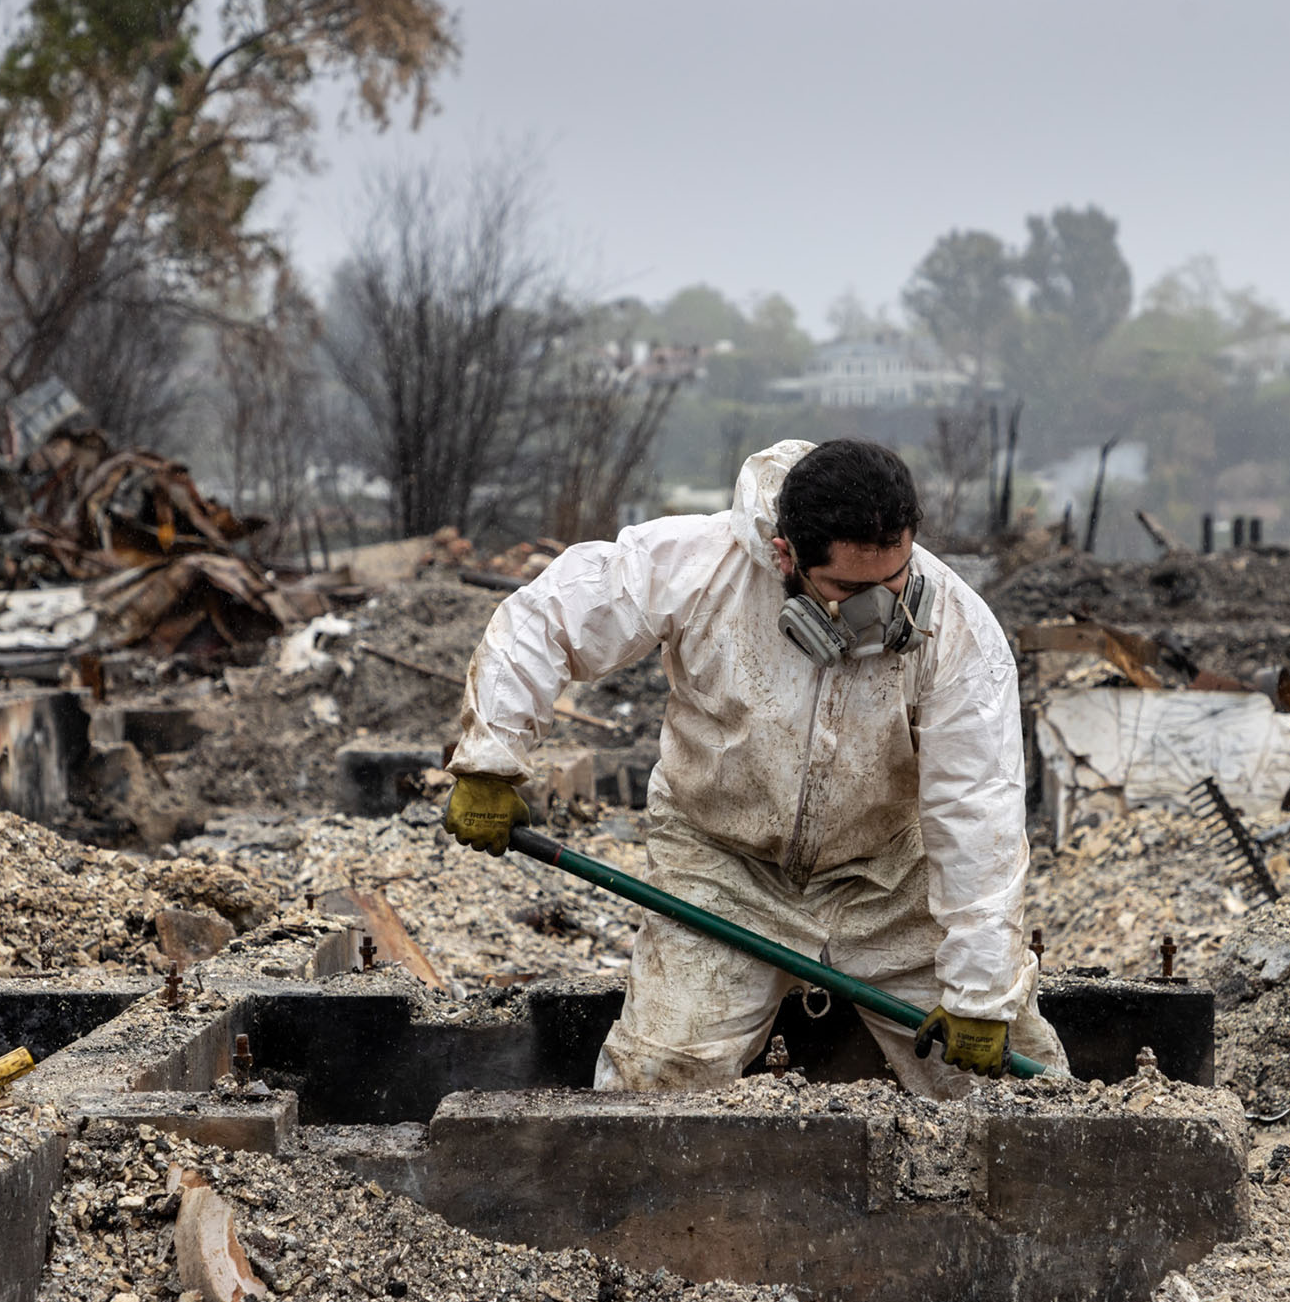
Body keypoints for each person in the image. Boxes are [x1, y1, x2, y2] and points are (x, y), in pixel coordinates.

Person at [442, 438, 1067, 1096]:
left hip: (886, 876)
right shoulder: (698, 566)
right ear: (784, 556)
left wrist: (982, 991)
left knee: (1012, 1088)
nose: (884, 610)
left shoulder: (958, 630)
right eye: (852, 590)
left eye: (896, 578)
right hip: (720, 863)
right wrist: (490, 759)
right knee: (657, 1084)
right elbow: (549, 619)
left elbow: (978, 810)